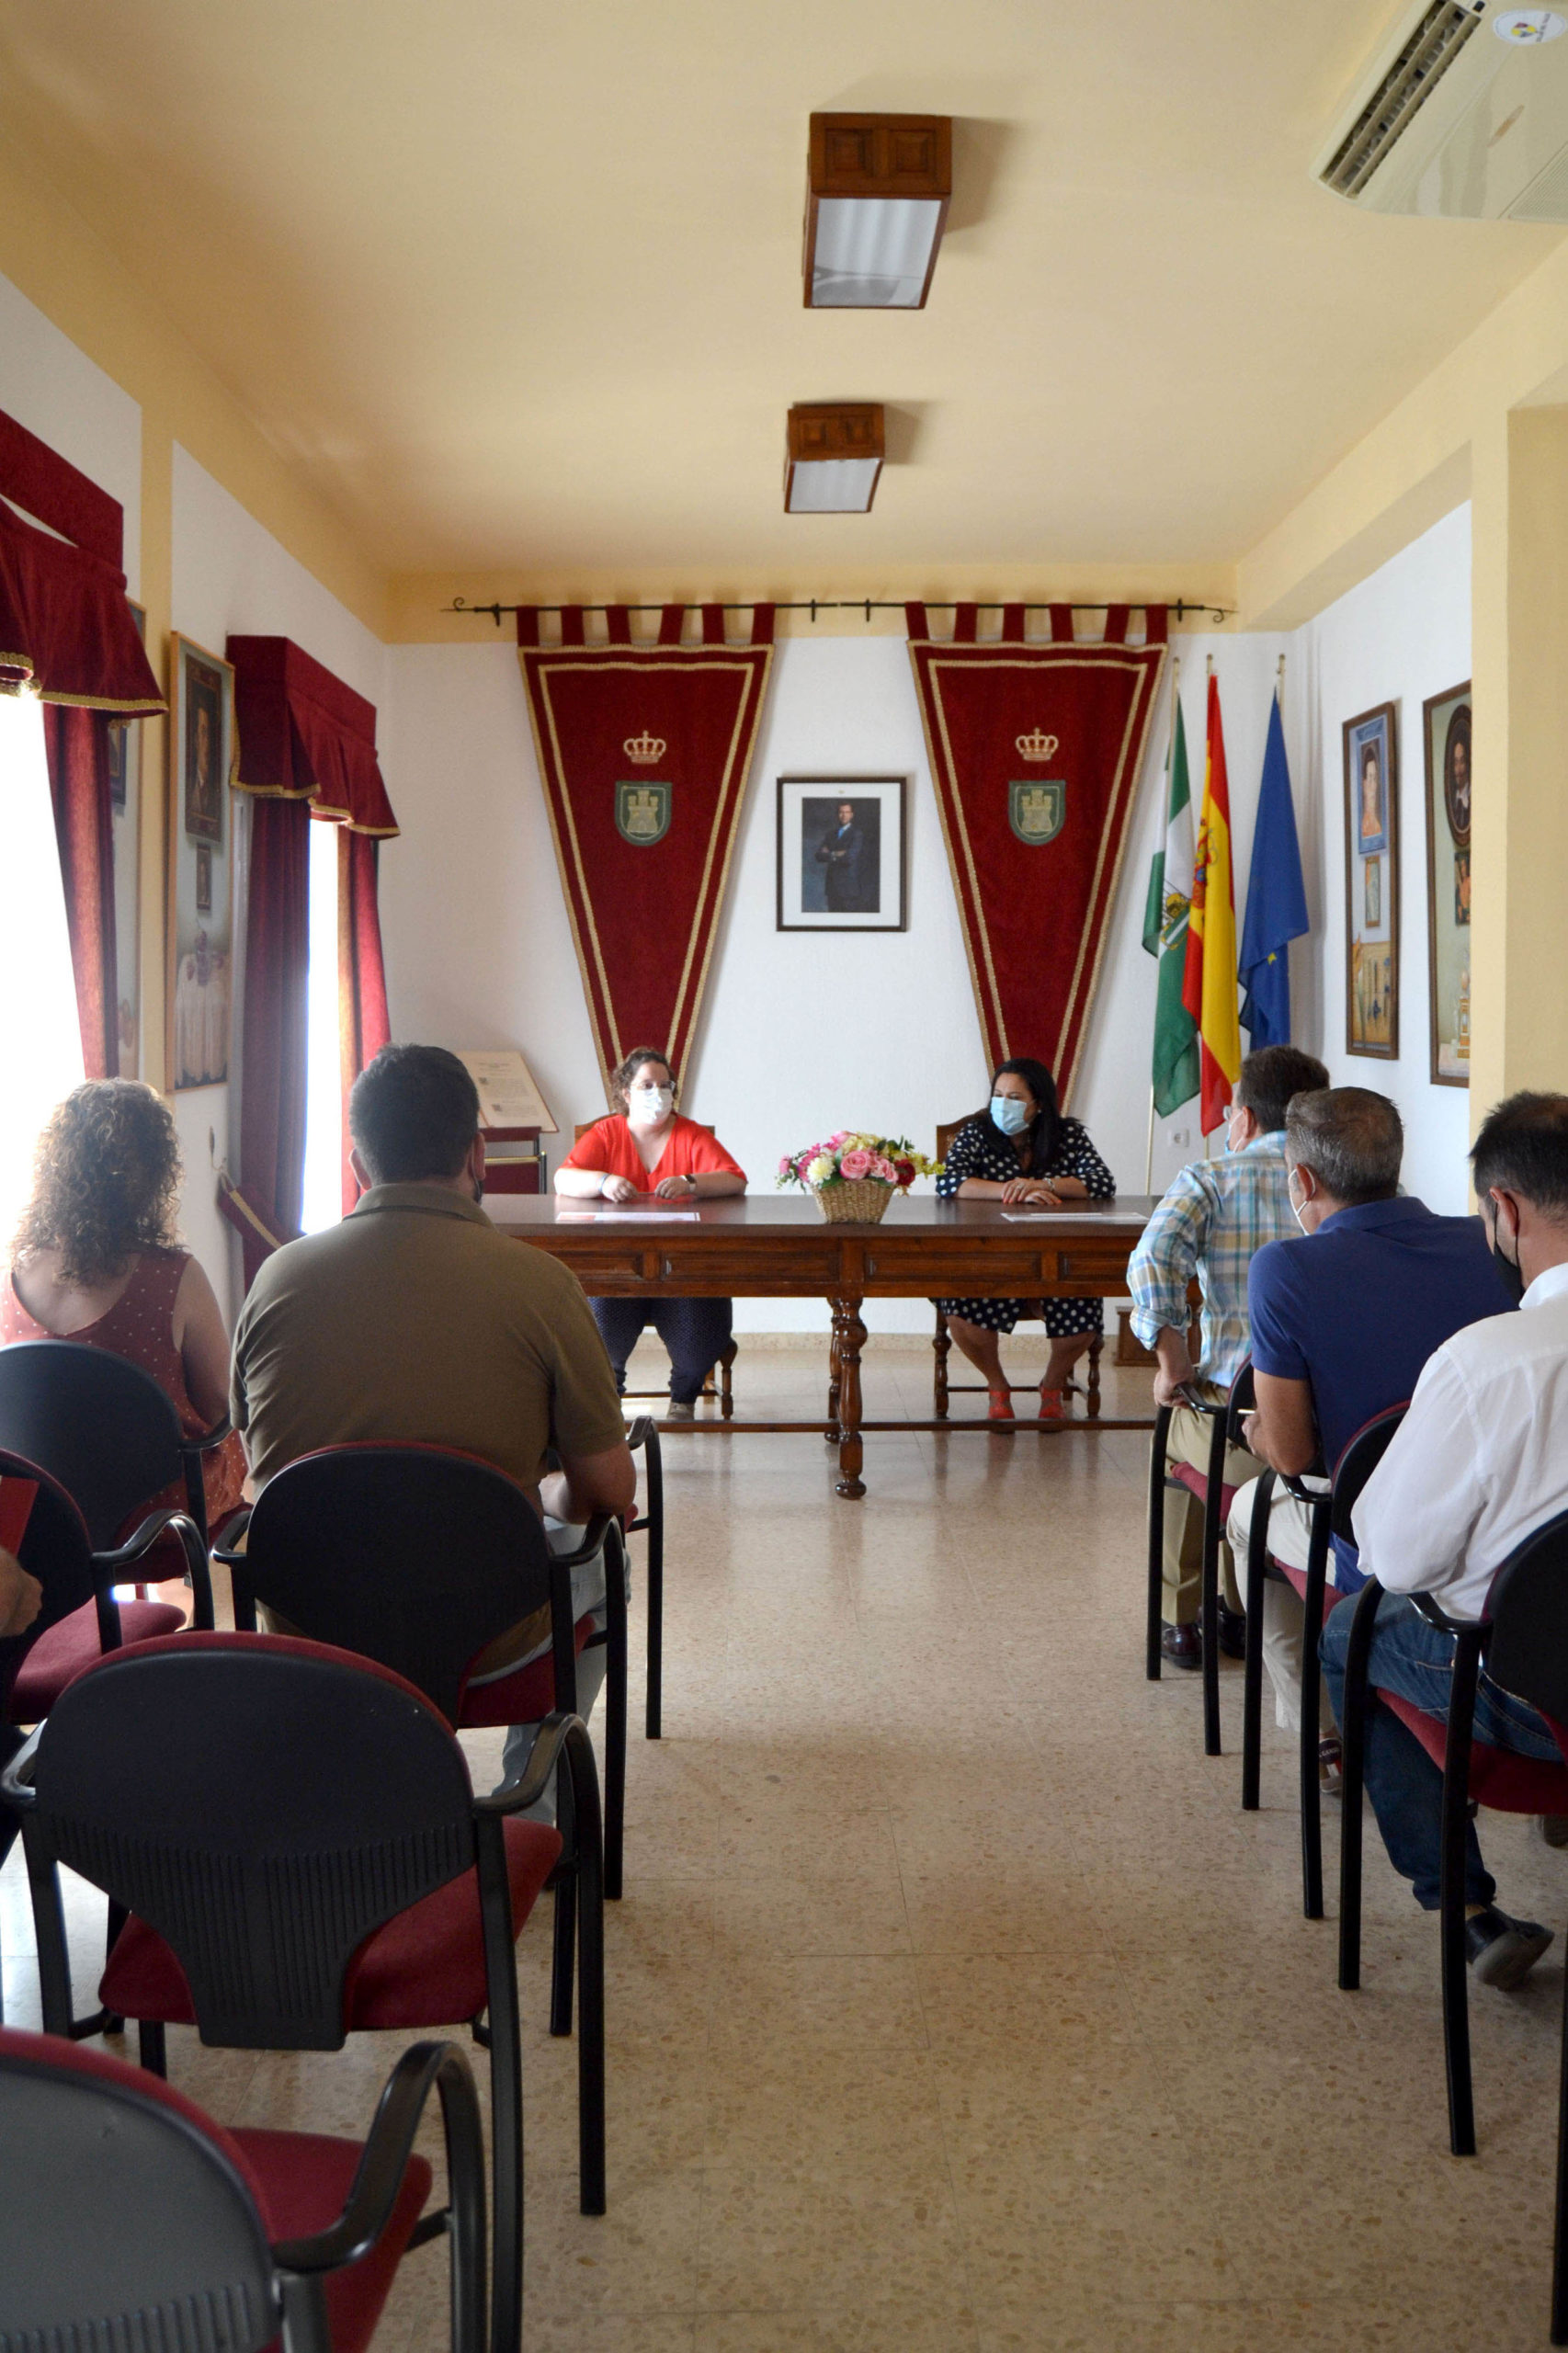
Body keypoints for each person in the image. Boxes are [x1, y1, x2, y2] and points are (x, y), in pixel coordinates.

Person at [232, 1043, 637, 1792]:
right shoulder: (542, 1286)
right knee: (608, 1559)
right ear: (479, 1152)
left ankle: (348, 1792)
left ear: (359, 1162)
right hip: (487, 1633)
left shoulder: (276, 1280)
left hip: (311, 1620)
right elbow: (611, 1492)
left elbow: (251, 1455)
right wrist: (550, 1496)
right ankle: (526, 1806)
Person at [1322, 1092, 1568, 1990]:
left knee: (1350, 1628)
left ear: (1501, 1211)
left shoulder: (1485, 1360)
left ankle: (1460, 1904)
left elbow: (1393, 1557)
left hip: (1532, 1704)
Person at [1228, 1087, 1510, 1765]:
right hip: (1499, 1532)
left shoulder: (1285, 1270)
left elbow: (1293, 1456)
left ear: (1303, 1180)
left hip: (1367, 1538)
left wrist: (1251, 1433)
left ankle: (1322, 1732)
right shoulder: (1486, 1243)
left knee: (1246, 1513)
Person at [2, 1080, 245, 1599]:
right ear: (155, 1177)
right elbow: (221, 1406)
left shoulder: (11, 1275)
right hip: (148, 1524)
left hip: (39, 1519)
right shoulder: (174, 1277)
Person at [1127, 1044, 1328, 1669]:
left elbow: (1152, 1263)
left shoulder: (1211, 1177)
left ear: (1242, 1118)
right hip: (1333, 1421)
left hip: (1237, 1411)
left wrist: (1173, 1364)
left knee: (1176, 1437)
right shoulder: (1343, 1184)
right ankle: (1235, 1610)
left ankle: (1180, 1621)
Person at [555, 1048, 746, 1420]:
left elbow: (734, 1180)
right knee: (599, 1328)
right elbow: (563, 1178)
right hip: (618, 1267)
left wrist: (691, 1182)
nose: (656, 1093)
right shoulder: (607, 1132)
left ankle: (683, 1398)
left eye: (664, 1085)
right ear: (626, 1092)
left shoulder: (689, 1133)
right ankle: (608, 1399)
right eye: (646, 1085)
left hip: (682, 1267)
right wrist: (603, 1181)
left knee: (701, 1331)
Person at [935, 1057, 1114, 1424]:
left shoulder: (1067, 1136)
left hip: (1055, 1254)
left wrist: (1044, 1185)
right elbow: (948, 1182)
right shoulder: (976, 1133)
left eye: (1014, 1097)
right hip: (990, 1255)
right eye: (998, 1095)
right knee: (959, 1303)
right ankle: (998, 1386)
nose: (1003, 1104)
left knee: (1083, 1300)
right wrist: (1011, 1190)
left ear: (1039, 1104)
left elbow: (1101, 1182)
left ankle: (1051, 1385)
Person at [816, 800, 864, 912]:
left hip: (848, 889)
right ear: (837, 814)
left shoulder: (856, 834)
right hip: (832, 887)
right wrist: (836, 853)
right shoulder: (830, 834)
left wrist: (829, 853)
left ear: (851, 815)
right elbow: (818, 856)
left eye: (847, 812)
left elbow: (849, 858)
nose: (844, 815)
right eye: (841, 812)